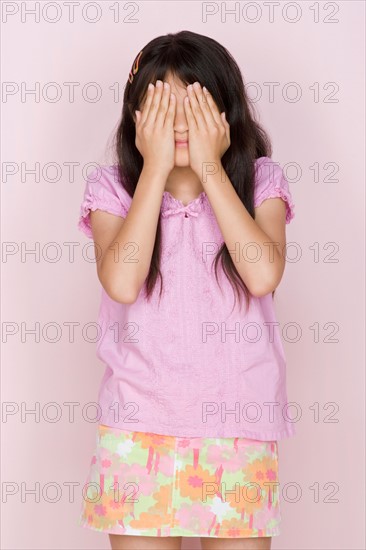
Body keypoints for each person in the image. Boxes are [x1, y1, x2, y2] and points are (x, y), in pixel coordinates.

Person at [77, 30, 296, 550]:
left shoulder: (261, 182)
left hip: (239, 425)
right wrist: (154, 167)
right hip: (137, 429)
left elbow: (263, 274)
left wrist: (210, 167)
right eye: (161, 105)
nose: (178, 122)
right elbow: (123, 282)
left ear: (225, 112)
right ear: (136, 116)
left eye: (193, 103)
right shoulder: (111, 190)